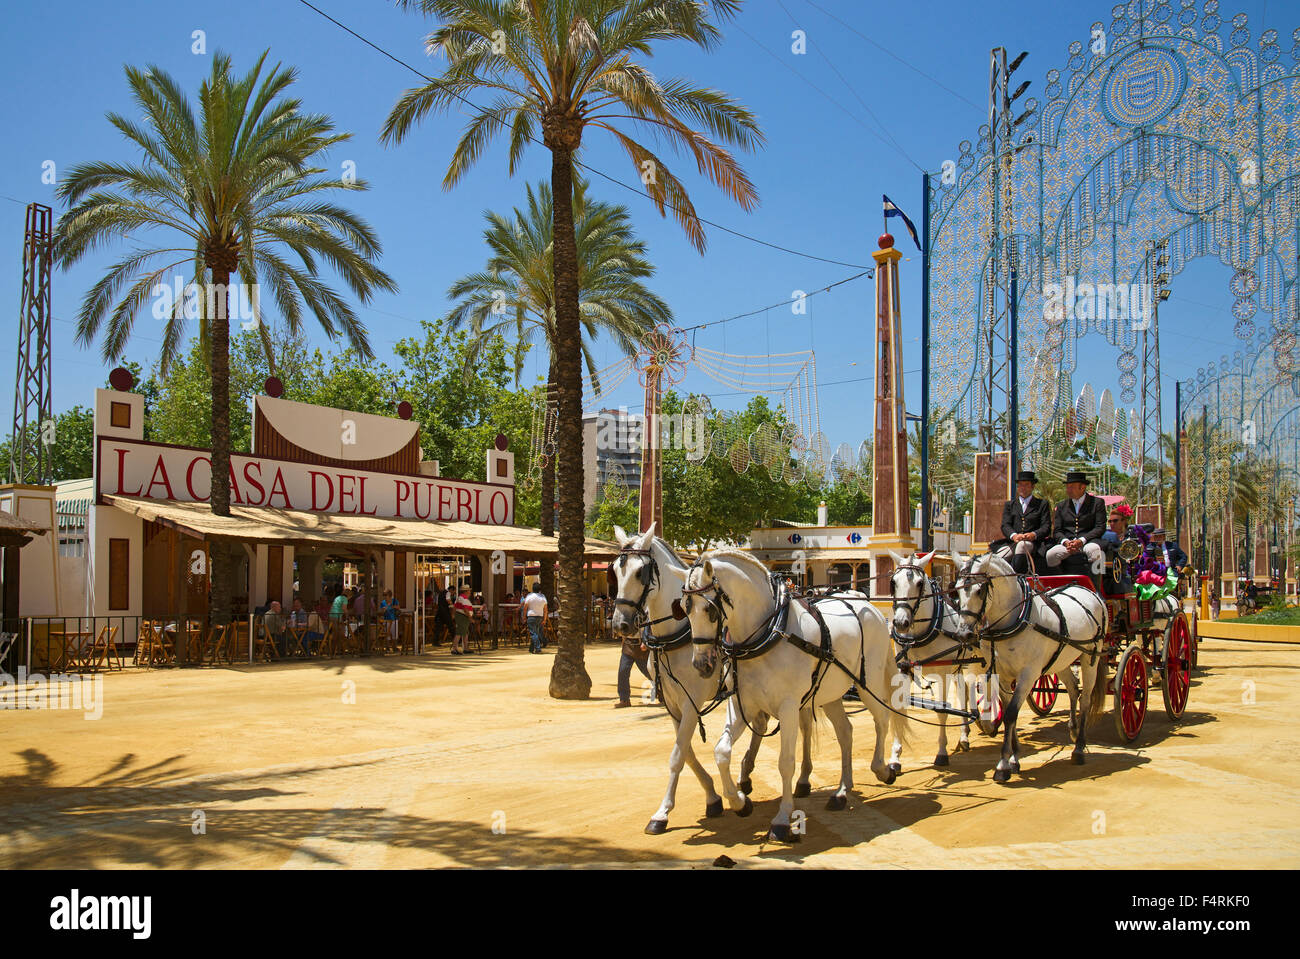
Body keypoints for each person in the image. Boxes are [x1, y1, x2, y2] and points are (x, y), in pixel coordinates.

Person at [1045, 471, 1107, 577]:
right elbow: (1057, 531)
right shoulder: (1061, 506)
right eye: (1067, 487)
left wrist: (1081, 540)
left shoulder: (1097, 503)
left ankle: (1095, 587)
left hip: (1088, 541)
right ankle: (1061, 584)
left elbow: (1100, 527)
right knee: (1050, 555)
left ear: (1082, 487)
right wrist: (1066, 542)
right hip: (1068, 543)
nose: (1068, 490)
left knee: (1095, 551)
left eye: (1072, 487)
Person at [992, 470, 1051, 573]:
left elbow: (1046, 526)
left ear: (1032, 487)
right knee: (998, 557)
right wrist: (1014, 535)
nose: (1023, 488)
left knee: (1022, 546)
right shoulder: (1010, 505)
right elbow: (1005, 525)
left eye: (1026, 485)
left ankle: (1016, 577)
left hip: (1033, 543)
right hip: (1013, 541)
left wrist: (1033, 534)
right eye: (1020, 485)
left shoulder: (1042, 504)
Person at [615, 627, 652, 708]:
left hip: (642, 645)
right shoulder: (625, 613)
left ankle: (662, 691)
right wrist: (623, 639)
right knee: (623, 671)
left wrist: (646, 641)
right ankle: (624, 699)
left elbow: (650, 626)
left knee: (649, 672)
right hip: (628, 644)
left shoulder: (646, 613)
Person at [522, 582, 547, 654]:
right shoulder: (543, 596)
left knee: (533, 633)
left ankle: (538, 648)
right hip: (540, 616)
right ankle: (531, 649)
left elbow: (525, 607)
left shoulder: (529, 596)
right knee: (536, 632)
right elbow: (545, 609)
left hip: (531, 616)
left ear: (532, 589)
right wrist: (545, 619)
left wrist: (524, 617)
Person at [452, 587, 474, 655]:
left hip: (462, 616)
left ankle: (465, 648)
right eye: (469, 591)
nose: (470, 592)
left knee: (465, 632)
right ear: (466, 591)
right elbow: (465, 609)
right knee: (460, 632)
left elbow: (455, 606)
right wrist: (470, 618)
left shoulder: (461, 598)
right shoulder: (463, 598)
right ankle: (455, 648)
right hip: (462, 616)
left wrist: (453, 614)